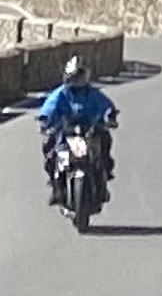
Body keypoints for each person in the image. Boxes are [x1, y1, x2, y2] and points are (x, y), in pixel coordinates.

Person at [32, 54, 116, 194]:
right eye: (76, 77)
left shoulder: (92, 94)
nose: (78, 81)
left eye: (81, 76)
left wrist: (110, 116)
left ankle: (105, 172)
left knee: (105, 139)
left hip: (90, 130)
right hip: (65, 131)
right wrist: (44, 120)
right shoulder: (61, 94)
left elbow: (105, 105)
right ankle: (56, 184)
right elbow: (50, 106)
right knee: (49, 145)